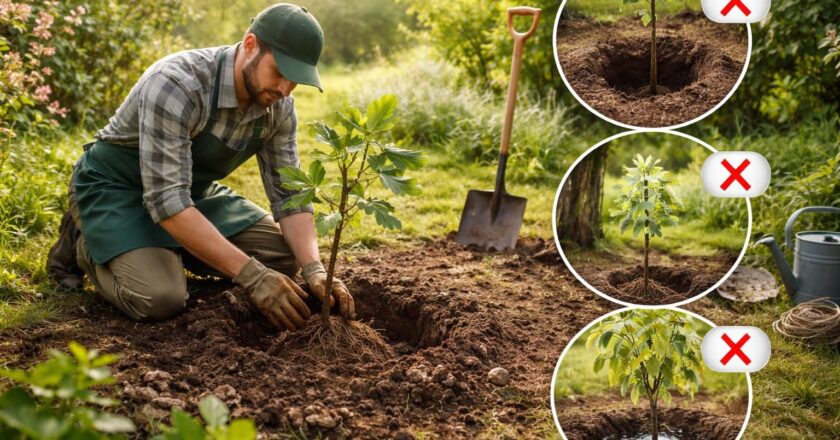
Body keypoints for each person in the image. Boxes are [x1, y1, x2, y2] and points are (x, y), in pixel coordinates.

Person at [46, 3, 355, 330]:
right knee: (159, 298)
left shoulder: (278, 107)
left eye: (295, 81)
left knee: (284, 257)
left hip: (191, 194)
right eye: (279, 72)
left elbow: (289, 196)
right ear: (251, 45)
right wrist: (252, 276)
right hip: (116, 189)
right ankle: (85, 241)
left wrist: (314, 268)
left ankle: (163, 250)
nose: (284, 89)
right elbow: (166, 199)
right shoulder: (177, 84)